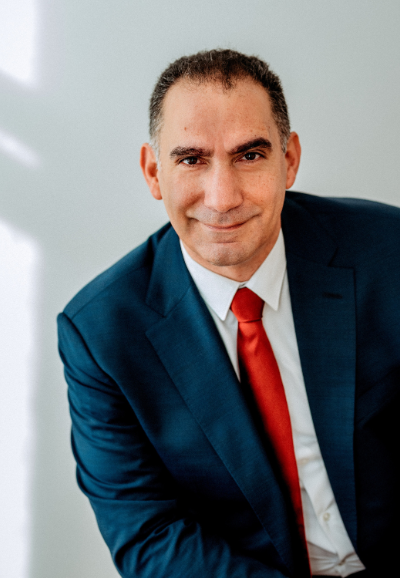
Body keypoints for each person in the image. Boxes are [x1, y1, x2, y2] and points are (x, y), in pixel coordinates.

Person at [57, 49, 400, 578]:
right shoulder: (101, 335)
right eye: (191, 160)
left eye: (250, 155)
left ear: (289, 160)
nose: (221, 198)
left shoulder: (388, 252)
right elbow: (150, 534)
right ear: (153, 172)